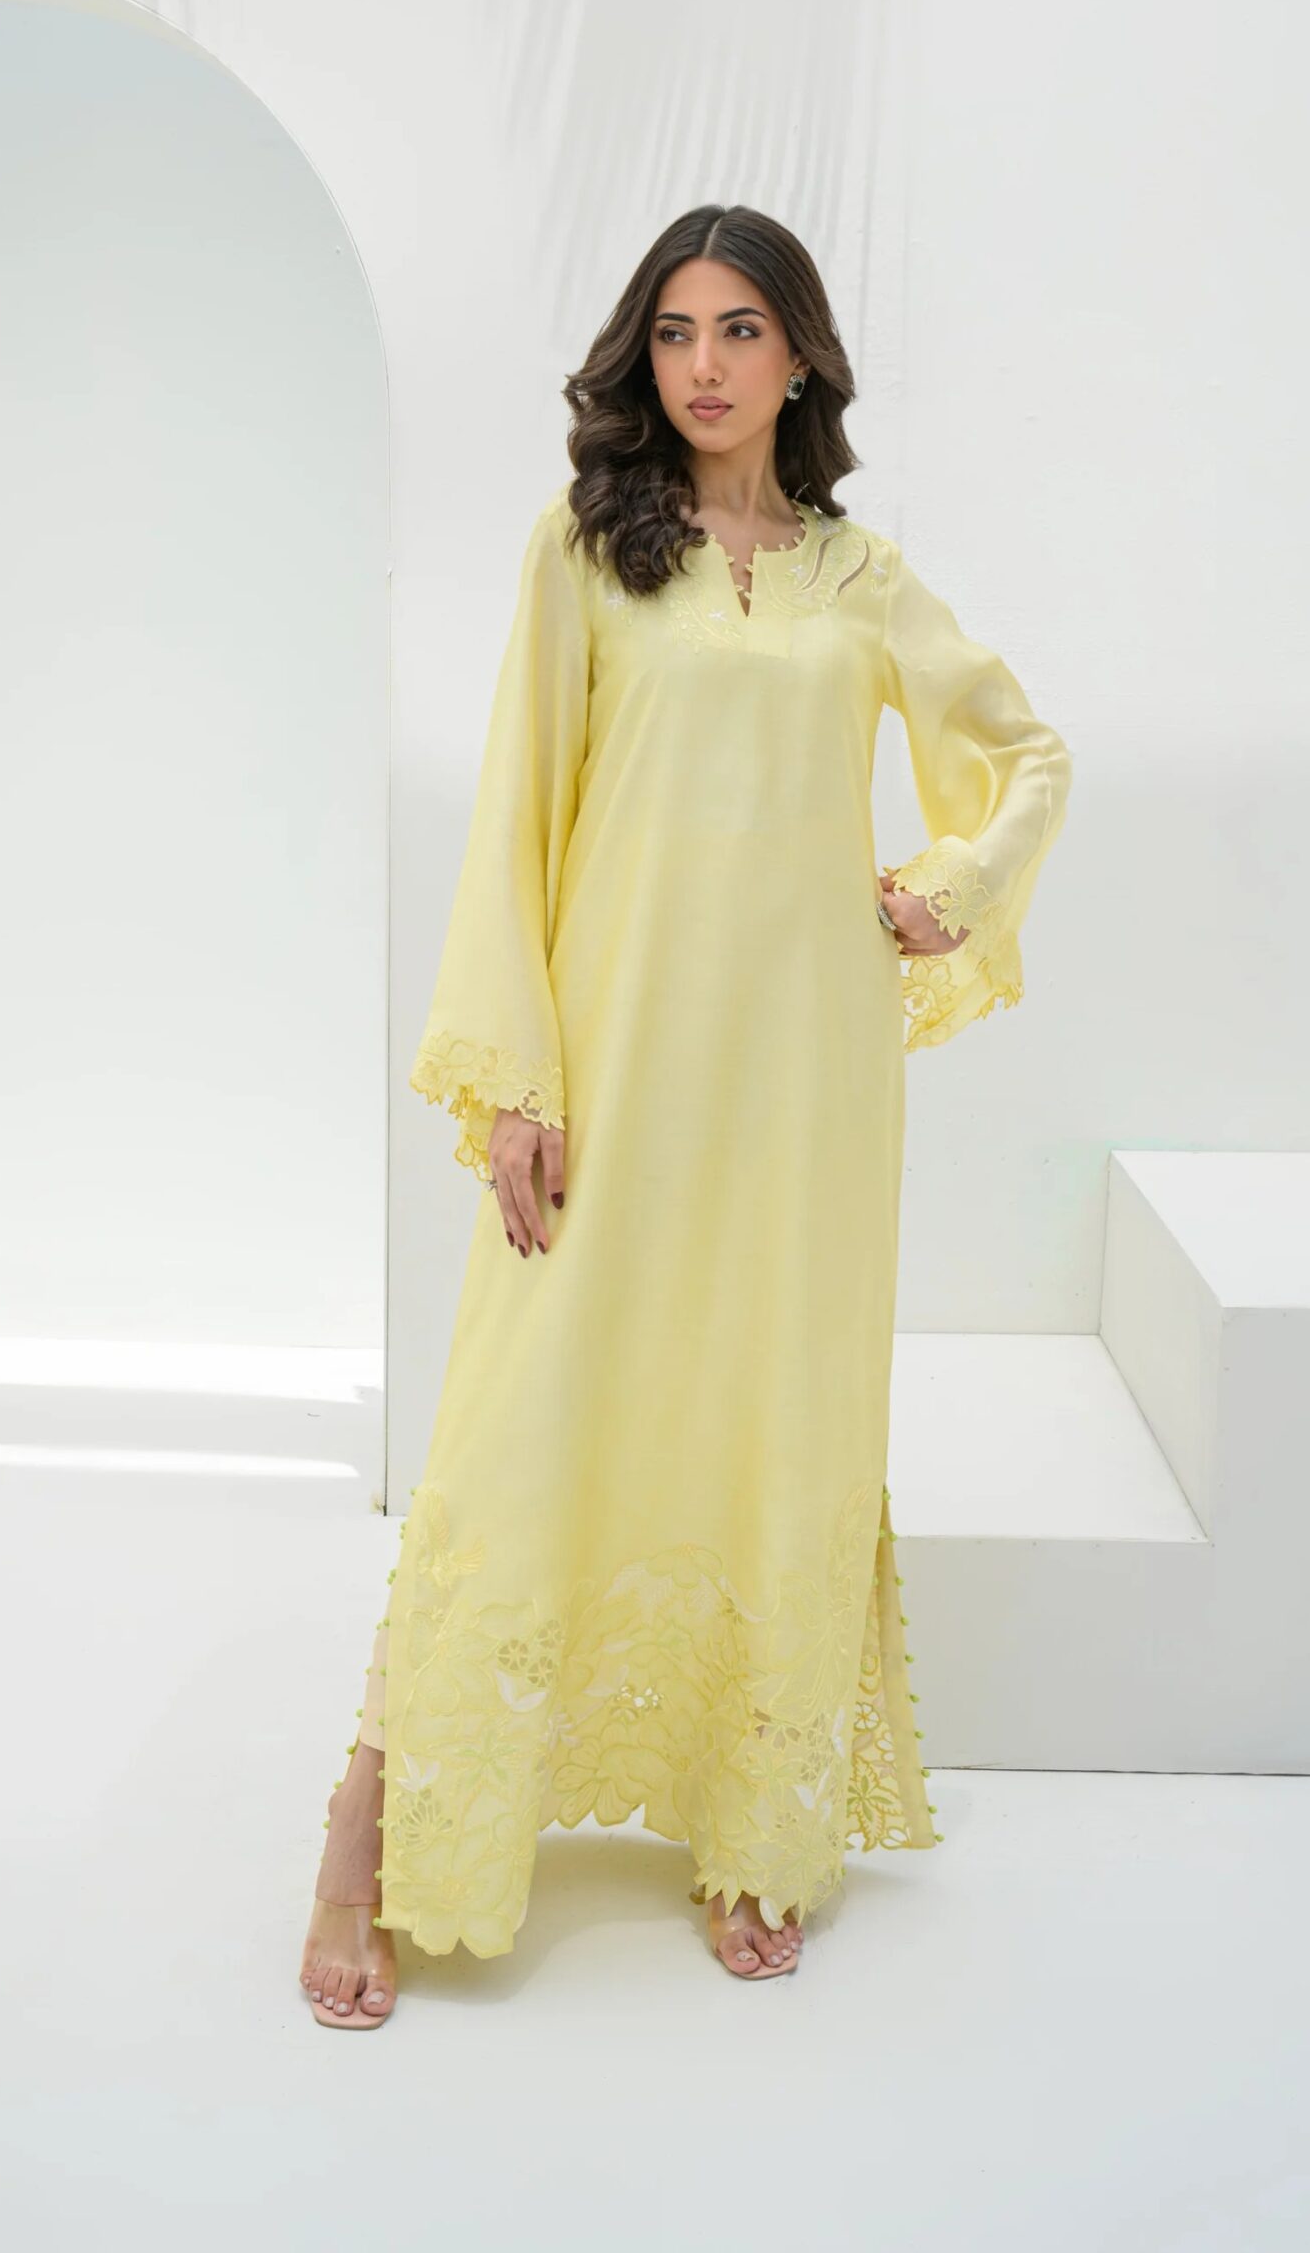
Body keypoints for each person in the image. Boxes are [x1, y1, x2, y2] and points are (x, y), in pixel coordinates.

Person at [302, 202, 1073, 2026]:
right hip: (615, 1060)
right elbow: (515, 821)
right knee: (521, 1422)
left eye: (738, 330)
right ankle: (367, 1831)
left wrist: (948, 887)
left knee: (769, 1411)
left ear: (798, 356)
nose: (704, 366)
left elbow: (1024, 756)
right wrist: (518, 1077)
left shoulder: (859, 580)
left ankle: (753, 1818)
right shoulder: (587, 554)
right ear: (639, 358)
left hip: (803, 1090)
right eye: (672, 332)